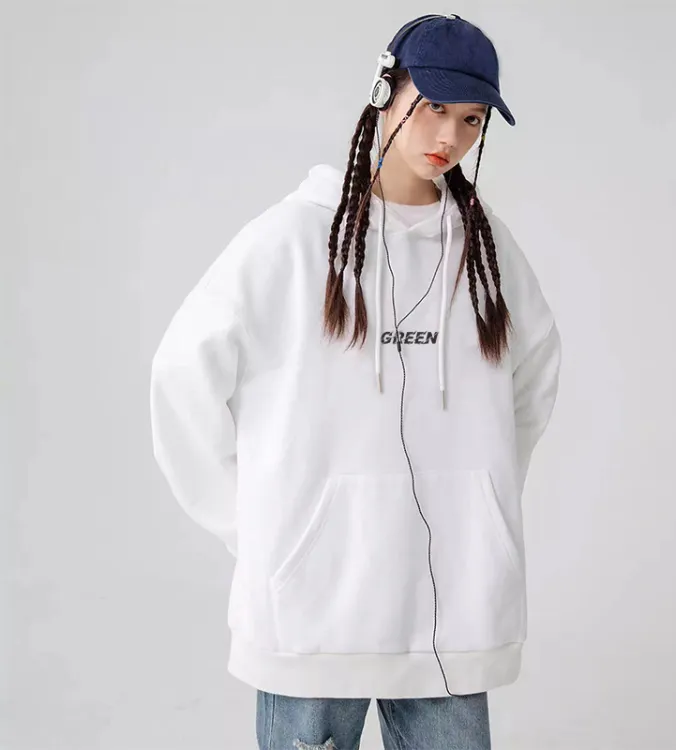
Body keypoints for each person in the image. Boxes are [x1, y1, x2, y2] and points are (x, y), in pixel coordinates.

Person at [149, 13, 562, 750]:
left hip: (450, 615)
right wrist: (257, 526)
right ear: (383, 92)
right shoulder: (290, 240)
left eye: (472, 119)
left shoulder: (485, 251)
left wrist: (483, 500)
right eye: (434, 106)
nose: (450, 136)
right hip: (312, 613)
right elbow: (182, 377)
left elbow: (533, 380)